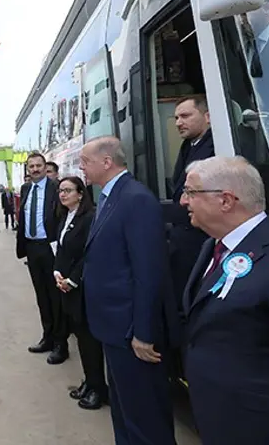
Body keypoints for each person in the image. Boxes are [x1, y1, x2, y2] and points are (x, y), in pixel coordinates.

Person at [180, 156, 269, 445]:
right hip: (218, 415)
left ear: (225, 200)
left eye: (191, 192)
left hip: (258, 428)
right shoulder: (213, 246)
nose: (183, 201)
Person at [80, 136, 176, 445]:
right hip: (113, 329)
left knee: (145, 419)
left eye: (85, 162)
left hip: (131, 332)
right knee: (124, 412)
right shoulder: (111, 196)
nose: (81, 168)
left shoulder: (136, 199)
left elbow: (148, 272)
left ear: (107, 162)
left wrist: (143, 333)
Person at [52, 176, 106, 410]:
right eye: (60, 191)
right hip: (66, 284)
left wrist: (72, 280)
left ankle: (98, 388)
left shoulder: (90, 218)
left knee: (89, 339)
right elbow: (61, 248)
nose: (63, 195)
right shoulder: (66, 216)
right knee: (81, 337)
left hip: (82, 287)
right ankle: (89, 381)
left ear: (81, 193)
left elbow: (89, 254)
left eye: (68, 190)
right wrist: (57, 272)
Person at [16, 152, 66, 364]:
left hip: (50, 247)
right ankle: (47, 337)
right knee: (41, 296)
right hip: (32, 247)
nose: (35, 169)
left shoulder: (57, 188)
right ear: (27, 169)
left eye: (39, 166)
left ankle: (61, 344)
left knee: (56, 297)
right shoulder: (26, 188)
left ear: (46, 168)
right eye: (31, 166)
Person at [168, 96, 215, 313]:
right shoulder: (188, 146)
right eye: (176, 118)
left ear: (208, 116)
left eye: (185, 116)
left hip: (202, 236)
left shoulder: (217, 145)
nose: (178, 122)